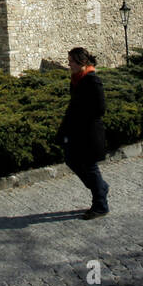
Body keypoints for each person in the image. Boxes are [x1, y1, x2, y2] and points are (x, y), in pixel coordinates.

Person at [57, 47, 110, 219]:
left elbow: (100, 108)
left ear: (81, 62)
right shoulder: (76, 79)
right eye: (69, 60)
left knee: (89, 166)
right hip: (75, 130)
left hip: (89, 131)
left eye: (71, 61)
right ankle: (100, 187)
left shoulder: (92, 80)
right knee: (70, 159)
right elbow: (74, 105)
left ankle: (100, 205)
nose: (69, 64)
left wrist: (82, 118)